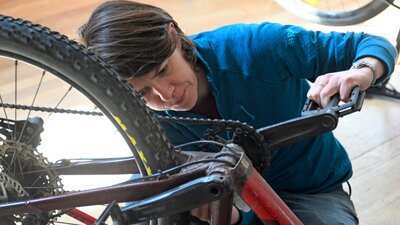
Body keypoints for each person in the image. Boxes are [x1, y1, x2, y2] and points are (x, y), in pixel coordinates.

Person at [78, 1, 398, 224]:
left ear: (174, 34)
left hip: (308, 191)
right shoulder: (143, 119)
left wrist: (362, 72)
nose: (166, 94)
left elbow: (367, 44)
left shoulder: (254, 48)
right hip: (228, 202)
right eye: (142, 92)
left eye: (163, 70)